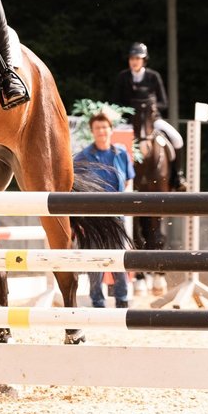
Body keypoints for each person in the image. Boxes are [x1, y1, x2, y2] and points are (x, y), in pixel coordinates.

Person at [73, 108, 134, 308]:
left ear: (111, 130)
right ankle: (97, 301)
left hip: (116, 215)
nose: (101, 131)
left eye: (105, 127)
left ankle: (122, 299)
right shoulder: (82, 157)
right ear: (92, 131)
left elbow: (127, 181)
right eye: (97, 128)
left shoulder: (121, 154)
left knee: (118, 259)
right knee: (94, 261)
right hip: (93, 218)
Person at [112, 42, 186, 189]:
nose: (134, 61)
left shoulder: (153, 76)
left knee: (176, 138)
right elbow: (116, 101)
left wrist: (148, 109)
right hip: (129, 122)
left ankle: (178, 175)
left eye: (137, 58)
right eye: (132, 58)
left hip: (151, 121)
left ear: (144, 60)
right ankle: (113, 177)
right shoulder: (123, 77)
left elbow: (164, 102)